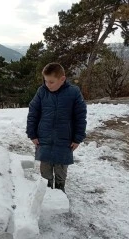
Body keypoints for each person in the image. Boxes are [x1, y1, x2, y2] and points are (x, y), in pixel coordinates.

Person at [26, 63, 87, 193]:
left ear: (62, 79)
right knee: (45, 170)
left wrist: (77, 138)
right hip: (44, 139)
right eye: (46, 81)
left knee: (61, 170)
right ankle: (46, 193)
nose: (47, 84)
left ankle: (60, 192)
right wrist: (32, 134)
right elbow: (33, 113)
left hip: (64, 141)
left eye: (51, 82)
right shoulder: (42, 92)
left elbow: (80, 117)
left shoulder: (73, 92)